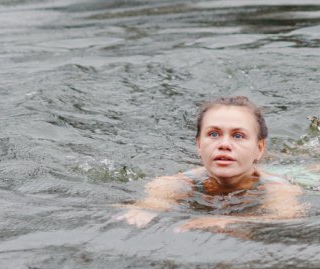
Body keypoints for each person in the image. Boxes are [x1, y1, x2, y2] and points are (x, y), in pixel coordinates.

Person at [122, 96, 305, 231]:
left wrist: (227, 221)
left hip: (302, 175)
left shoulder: (277, 187)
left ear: (259, 148)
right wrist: (143, 210)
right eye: (214, 134)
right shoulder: (178, 182)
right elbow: (153, 202)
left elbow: (286, 216)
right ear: (199, 145)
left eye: (238, 136)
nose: (224, 144)